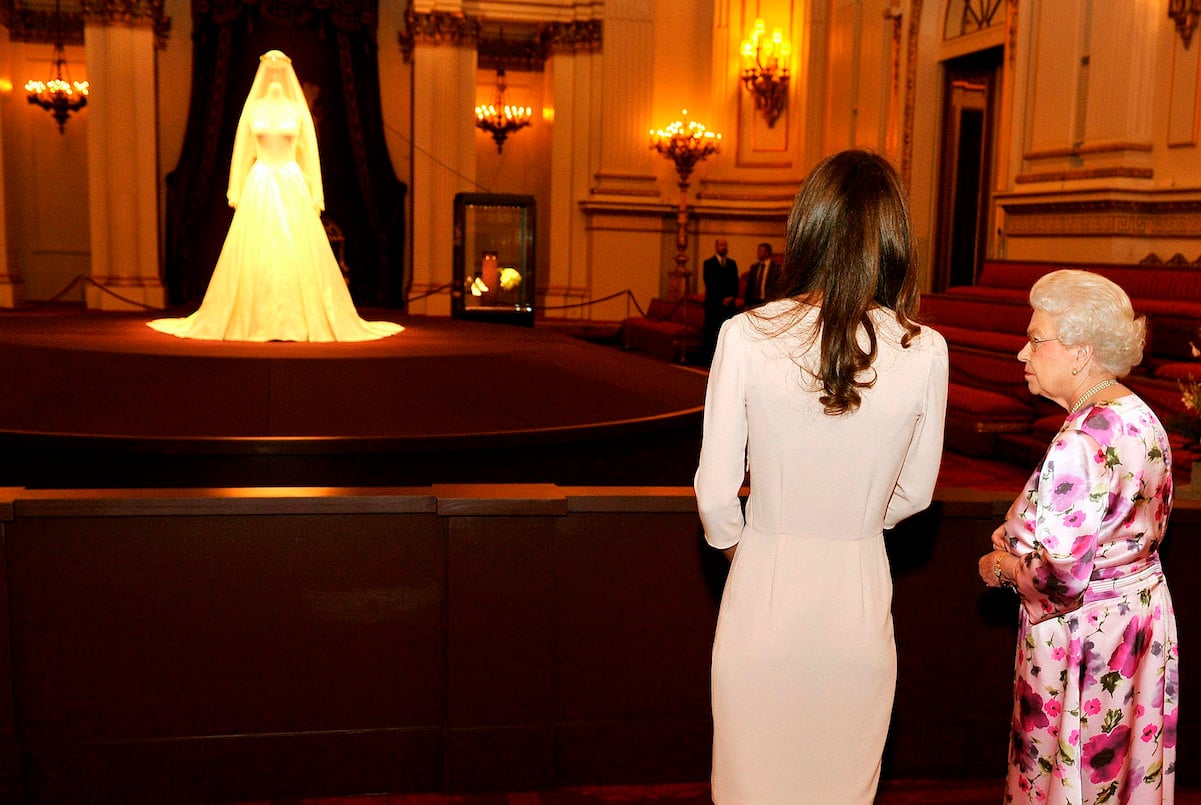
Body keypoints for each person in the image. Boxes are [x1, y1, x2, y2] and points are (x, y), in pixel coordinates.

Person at [694, 150, 948, 803]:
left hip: (763, 589)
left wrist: (752, 547)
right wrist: (856, 523)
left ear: (807, 227)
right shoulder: (924, 348)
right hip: (856, 595)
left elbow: (716, 496)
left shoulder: (745, 333)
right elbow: (915, 493)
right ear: (894, 236)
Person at [977, 269, 1178, 803]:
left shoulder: (1080, 440)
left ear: (1080, 351)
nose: (1023, 353)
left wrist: (999, 567)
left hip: (1081, 636)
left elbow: (1059, 577)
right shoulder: (1140, 413)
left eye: (1035, 339)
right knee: (1117, 773)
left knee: (1068, 778)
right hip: (1135, 622)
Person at [149, 50, 402, 342]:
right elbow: (242, 150)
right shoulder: (253, 110)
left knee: (297, 249)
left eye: (280, 68)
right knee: (256, 250)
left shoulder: (297, 111)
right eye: (269, 68)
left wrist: (314, 192)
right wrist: (236, 188)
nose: (275, 72)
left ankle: (297, 318)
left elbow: (310, 154)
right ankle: (254, 317)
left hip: (291, 182)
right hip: (261, 183)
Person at [701, 238, 739, 362]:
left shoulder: (732, 263)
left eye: (725, 245)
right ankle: (709, 358)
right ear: (716, 247)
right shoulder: (708, 263)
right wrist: (721, 299)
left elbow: (735, 283)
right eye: (721, 245)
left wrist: (731, 297)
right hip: (714, 305)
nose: (723, 247)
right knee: (712, 332)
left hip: (728, 306)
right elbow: (710, 284)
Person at [742, 242, 779, 308]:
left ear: (767, 252)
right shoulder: (754, 267)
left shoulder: (776, 268)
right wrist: (746, 304)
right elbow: (749, 287)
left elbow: (778, 287)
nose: (757, 253)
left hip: (769, 302)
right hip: (754, 302)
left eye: (760, 251)